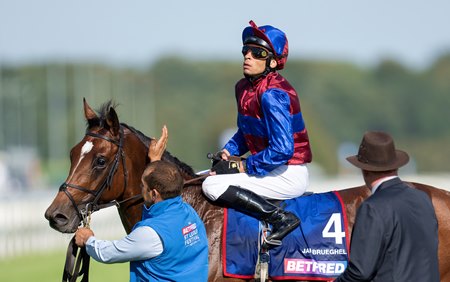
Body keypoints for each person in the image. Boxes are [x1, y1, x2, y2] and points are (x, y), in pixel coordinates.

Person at [202, 20, 312, 247]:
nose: (248, 56)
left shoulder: (273, 94)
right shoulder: (243, 87)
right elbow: (245, 132)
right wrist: (228, 152)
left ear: (272, 61)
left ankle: (281, 220)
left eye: (257, 52)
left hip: (287, 172)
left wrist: (243, 166)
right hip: (268, 166)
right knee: (202, 177)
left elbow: (283, 150)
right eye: (246, 50)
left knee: (211, 186)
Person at [75, 126, 209, 281]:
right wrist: (155, 162)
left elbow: (109, 253)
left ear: (154, 194)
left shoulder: (149, 234)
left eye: (143, 187)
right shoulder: (189, 213)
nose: (141, 189)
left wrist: (88, 240)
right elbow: (161, 192)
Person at [335, 131, 439, 282]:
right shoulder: (422, 199)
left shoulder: (372, 208)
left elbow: (360, 272)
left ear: (365, 170)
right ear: (395, 166)